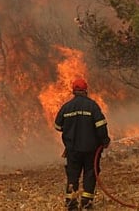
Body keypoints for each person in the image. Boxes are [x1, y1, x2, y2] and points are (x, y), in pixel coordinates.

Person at [54, 78, 110, 210]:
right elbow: (101, 126)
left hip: (72, 150)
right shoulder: (92, 106)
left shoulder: (66, 107)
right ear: (86, 90)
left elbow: (57, 126)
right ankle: (86, 202)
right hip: (91, 149)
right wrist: (105, 140)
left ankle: (71, 203)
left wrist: (69, 129)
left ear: (73, 91)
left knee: (72, 175)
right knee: (90, 174)